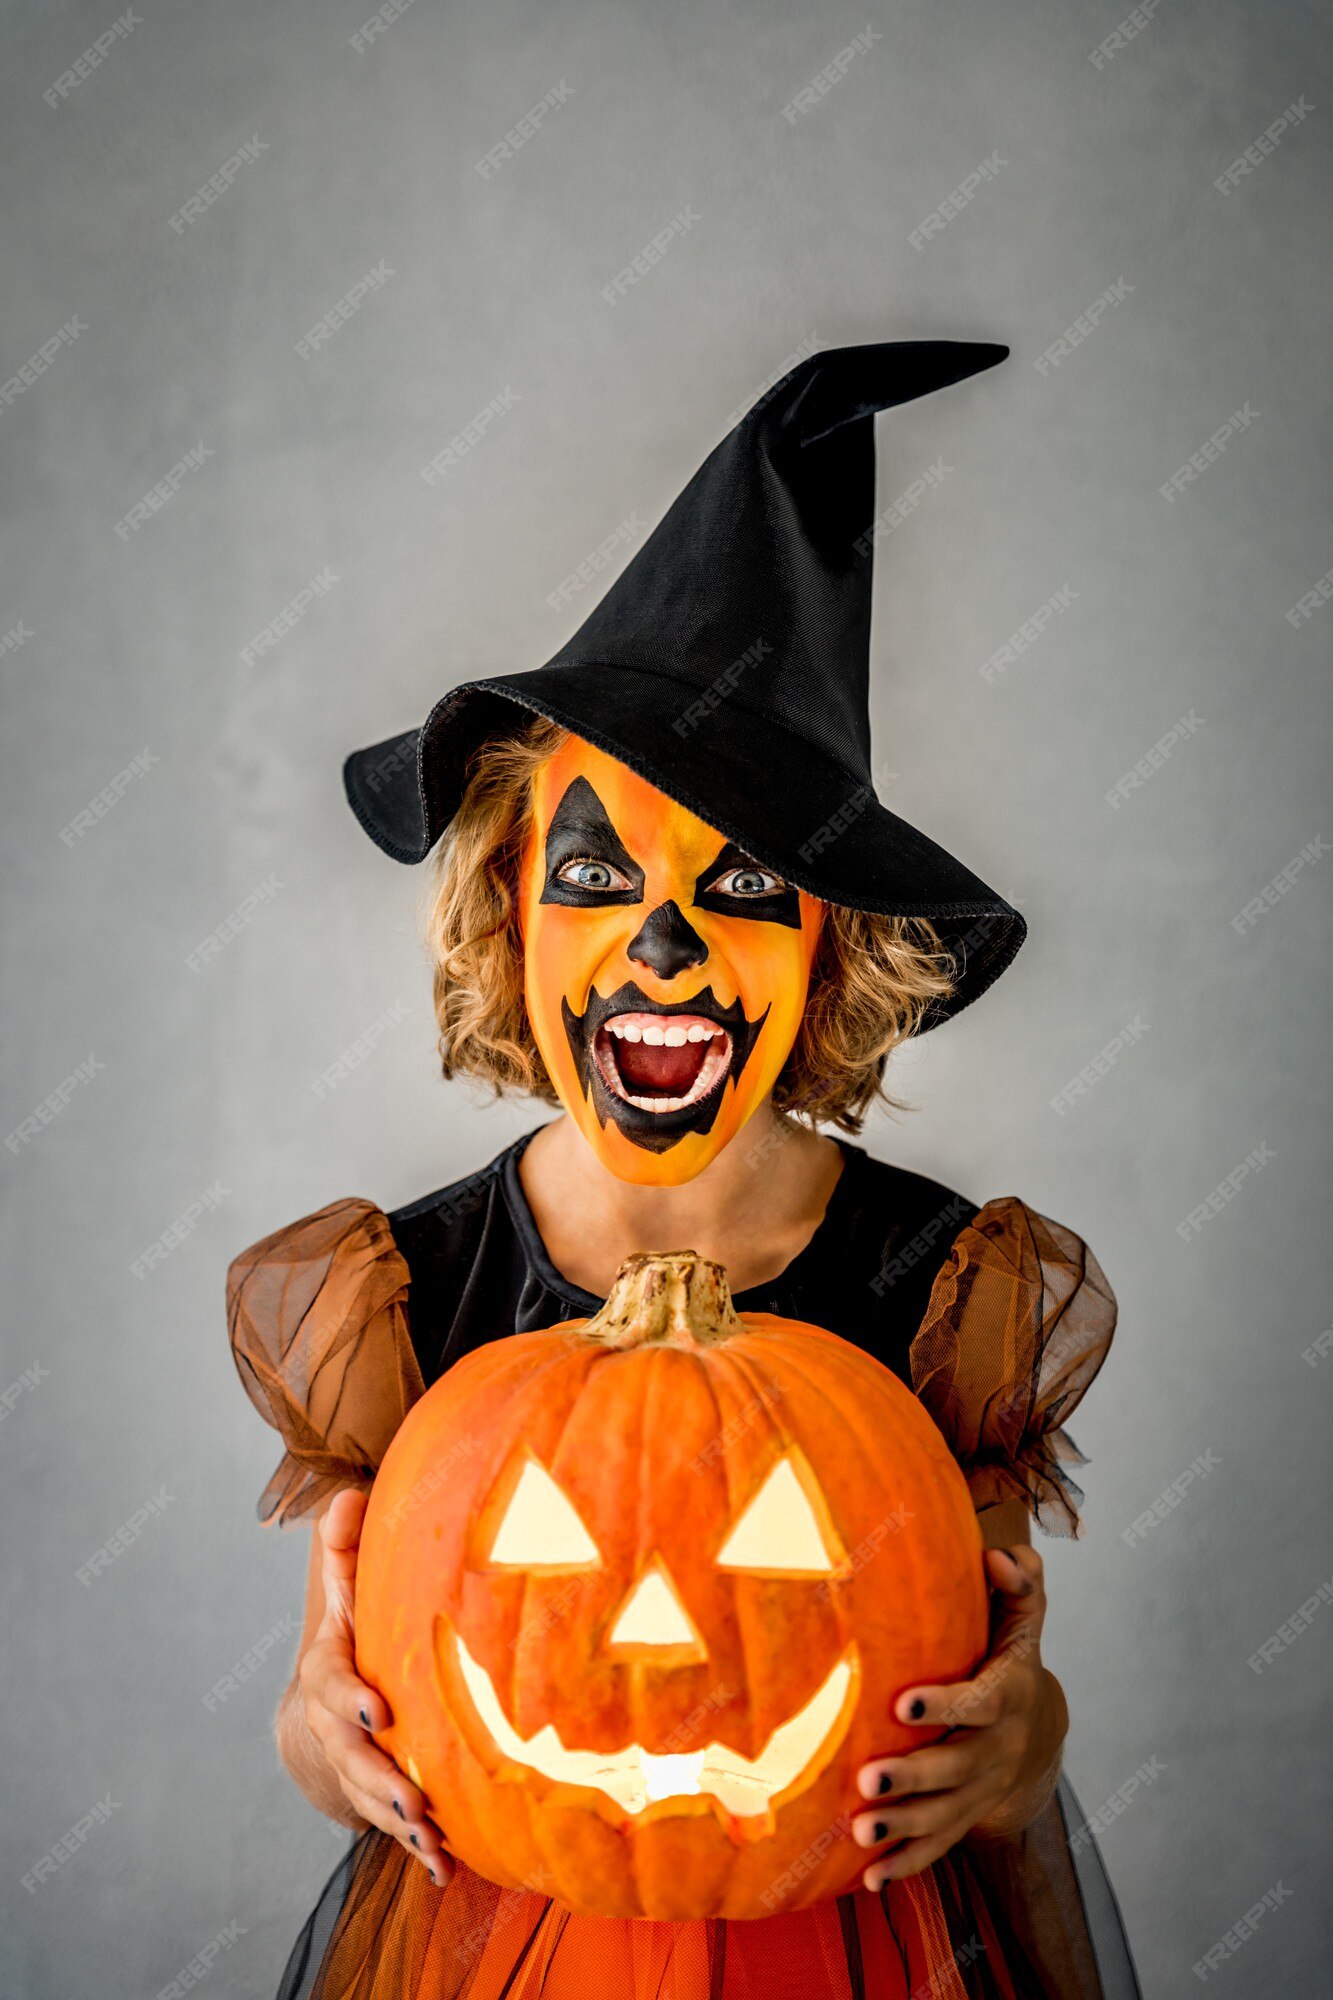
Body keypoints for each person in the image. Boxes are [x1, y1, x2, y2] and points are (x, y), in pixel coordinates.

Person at [227, 343, 1142, 1998]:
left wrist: (1021, 1740)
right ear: (510, 913)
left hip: (851, 1937)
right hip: (504, 1933)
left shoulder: (936, 1289)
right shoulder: (415, 1291)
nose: (661, 948)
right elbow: (331, 1689)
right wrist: (316, 1735)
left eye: (737, 888)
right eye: (593, 871)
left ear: (828, 951)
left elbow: (1011, 1660)